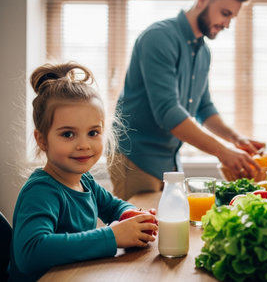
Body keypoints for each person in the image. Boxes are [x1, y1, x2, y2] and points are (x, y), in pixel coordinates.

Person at [110, 0, 265, 200]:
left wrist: (236, 139)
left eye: (231, 17)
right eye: (224, 13)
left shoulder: (203, 51)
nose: (227, 24)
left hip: (169, 163)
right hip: (137, 158)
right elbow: (168, 113)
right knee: (142, 235)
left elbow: (204, 108)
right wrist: (223, 153)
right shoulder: (159, 38)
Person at [8, 63, 158, 281]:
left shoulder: (84, 180)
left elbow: (114, 206)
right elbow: (30, 252)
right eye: (68, 134)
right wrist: (112, 237)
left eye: (93, 132)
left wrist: (130, 215)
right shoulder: (41, 190)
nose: (84, 145)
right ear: (42, 140)